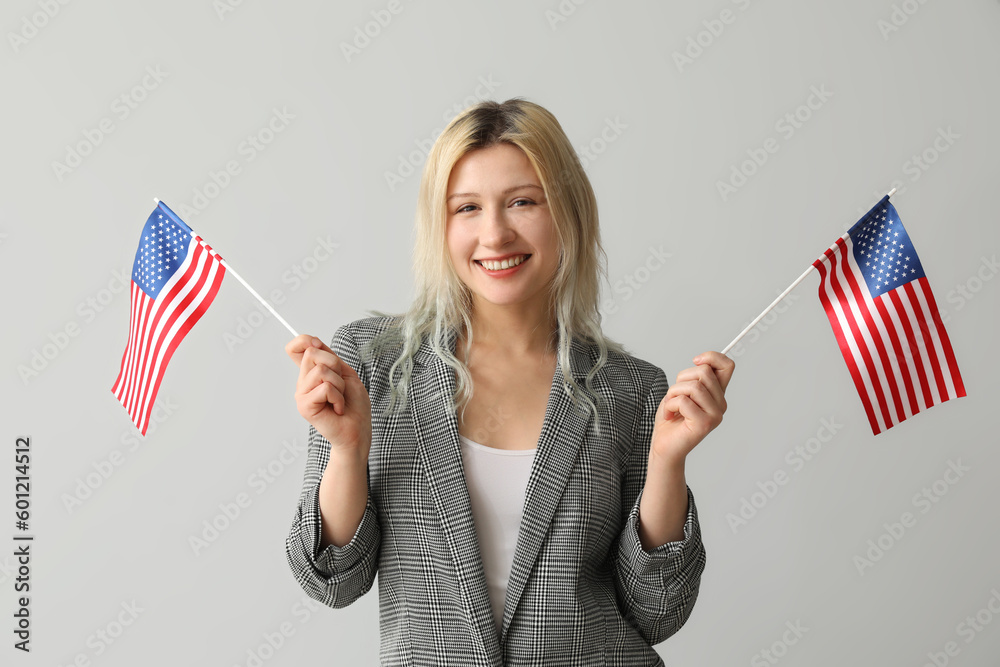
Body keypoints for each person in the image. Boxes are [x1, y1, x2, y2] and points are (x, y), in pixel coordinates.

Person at [284, 97, 735, 666]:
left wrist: (668, 462)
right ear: (440, 226)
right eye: (466, 208)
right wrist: (348, 449)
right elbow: (330, 580)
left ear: (566, 212)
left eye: (523, 201)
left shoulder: (634, 389)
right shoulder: (370, 363)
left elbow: (656, 611)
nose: (494, 234)